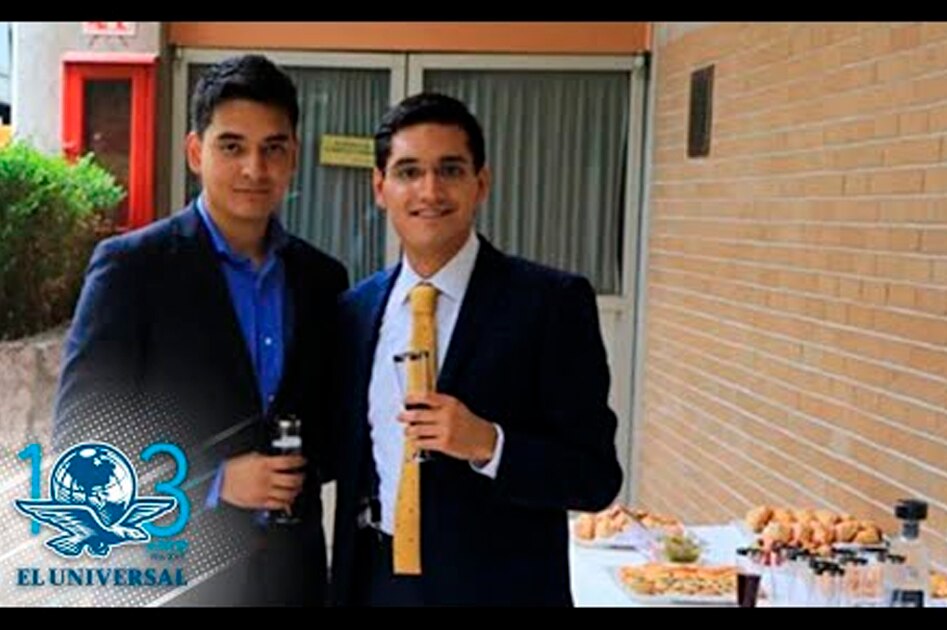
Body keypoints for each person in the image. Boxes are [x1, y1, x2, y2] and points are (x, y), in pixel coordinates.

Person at [55, 54, 347, 606]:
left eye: (273, 149)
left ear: (294, 157)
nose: (254, 170)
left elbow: (330, 430)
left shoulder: (322, 280)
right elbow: (83, 439)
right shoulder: (132, 270)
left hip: (292, 581)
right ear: (196, 152)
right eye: (232, 146)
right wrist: (212, 483)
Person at [329, 92, 622, 606]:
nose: (430, 190)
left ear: (480, 182)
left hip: (500, 591)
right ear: (380, 187)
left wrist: (490, 444)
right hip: (378, 585)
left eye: (450, 169)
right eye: (408, 171)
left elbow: (595, 477)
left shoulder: (549, 303)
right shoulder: (354, 311)